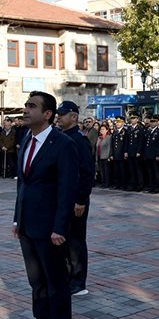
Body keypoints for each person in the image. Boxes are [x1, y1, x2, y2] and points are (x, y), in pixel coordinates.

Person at [13, 91, 79, 319]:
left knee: (56, 282)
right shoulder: (27, 138)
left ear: (48, 114)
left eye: (32, 106)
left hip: (50, 228)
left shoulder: (62, 144)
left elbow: (67, 189)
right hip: (28, 225)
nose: (26, 109)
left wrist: (60, 228)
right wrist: (17, 219)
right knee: (36, 281)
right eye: (26, 104)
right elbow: (23, 185)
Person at [55, 101, 95, 296]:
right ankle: (68, 276)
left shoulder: (79, 140)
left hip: (76, 199)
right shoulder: (62, 137)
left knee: (76, 241)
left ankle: (78, 282)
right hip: (63, 197)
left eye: (63, 114)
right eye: (58, 114)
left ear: (74, 117)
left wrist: (81, 199)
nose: (59, 117)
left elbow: (87, 172)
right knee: (64, 238)